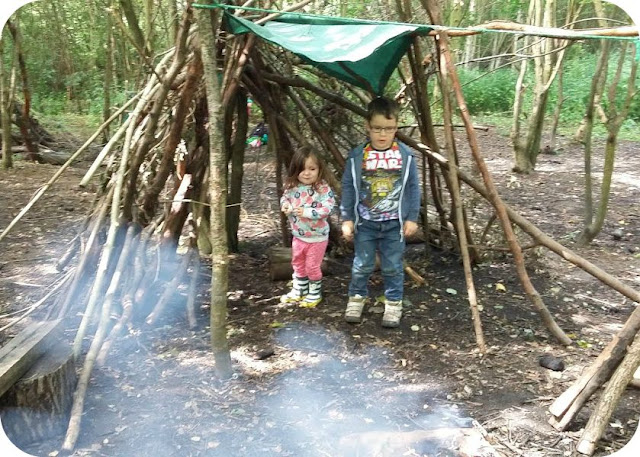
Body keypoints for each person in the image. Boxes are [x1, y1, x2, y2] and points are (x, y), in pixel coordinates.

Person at [340, 96, 421, 327]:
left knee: (392, 265)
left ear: (396, 127)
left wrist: (412, 217)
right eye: (377, 128)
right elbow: (347, 187)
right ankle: (356, 299)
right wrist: (346, 218)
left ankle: (394, 304)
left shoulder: (405, 156)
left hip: (394, 224)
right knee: (362, 264)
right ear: (368, 126)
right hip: (365, 222)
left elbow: (413, 187)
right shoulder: (358, 156)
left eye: (389, 129)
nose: (383, 134)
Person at [280, 147, 336, 307]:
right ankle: (299, 289)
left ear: (319, 169)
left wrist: (307, 212)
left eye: (312, 169)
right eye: (302, 169)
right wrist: (285, 206)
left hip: (317, 237)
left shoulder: (322, 189)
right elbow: (285, 198)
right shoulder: (292, 187)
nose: (307, 173)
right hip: (298, 235)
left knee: (312, 266)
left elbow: (328, 208)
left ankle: (314, 292)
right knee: (297, 263)